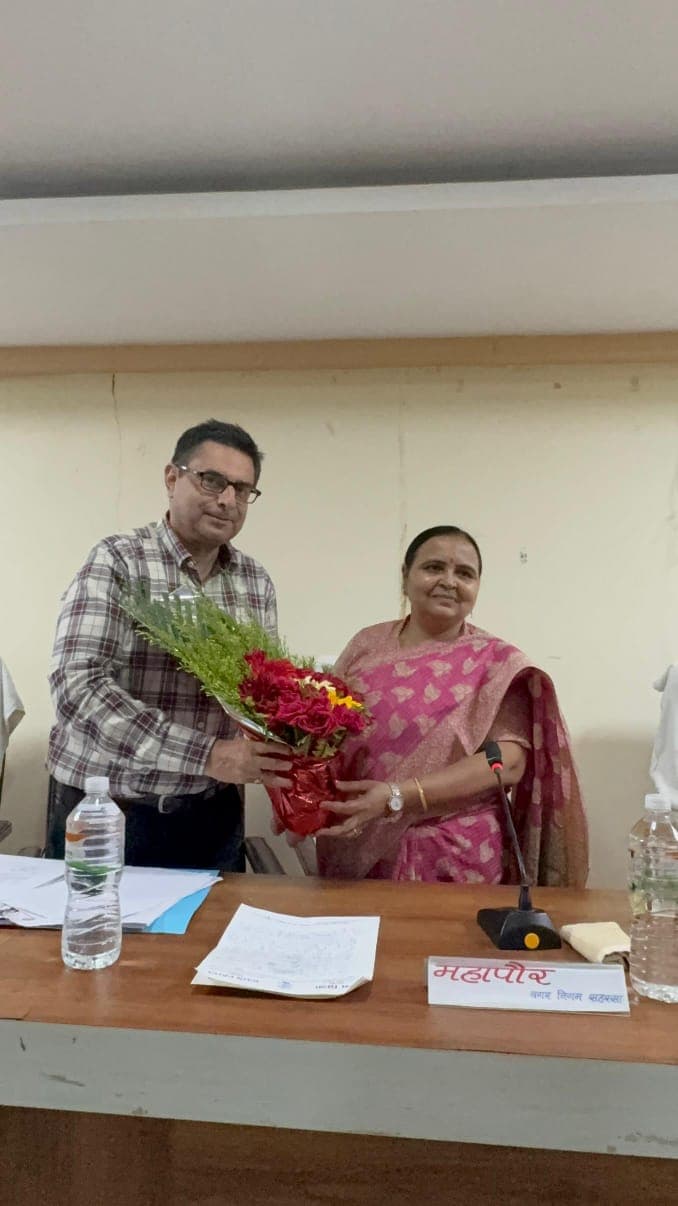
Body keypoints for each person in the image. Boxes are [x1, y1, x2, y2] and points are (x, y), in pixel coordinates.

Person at [46, 418, 291, 871]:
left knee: (213, 942)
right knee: (104, 938)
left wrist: (295, 779)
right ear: (172, 478)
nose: (227, 500)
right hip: (110, 818)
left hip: (212, 819)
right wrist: (208, 755)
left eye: (242, 489)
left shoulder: (255, 582)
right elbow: (77, 689)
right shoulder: (119, 560)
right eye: (211, 480)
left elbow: (261, 701)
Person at [316, 525, 588, 886]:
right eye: (433, 568)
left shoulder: (495, 663)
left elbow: (508, 762)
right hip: (358, 839)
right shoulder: (367, 644)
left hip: (456, 853)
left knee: (451, 943)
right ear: (405, 577)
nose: (449, 581)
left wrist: (399, 797)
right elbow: (322, 730)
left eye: (464, 573)